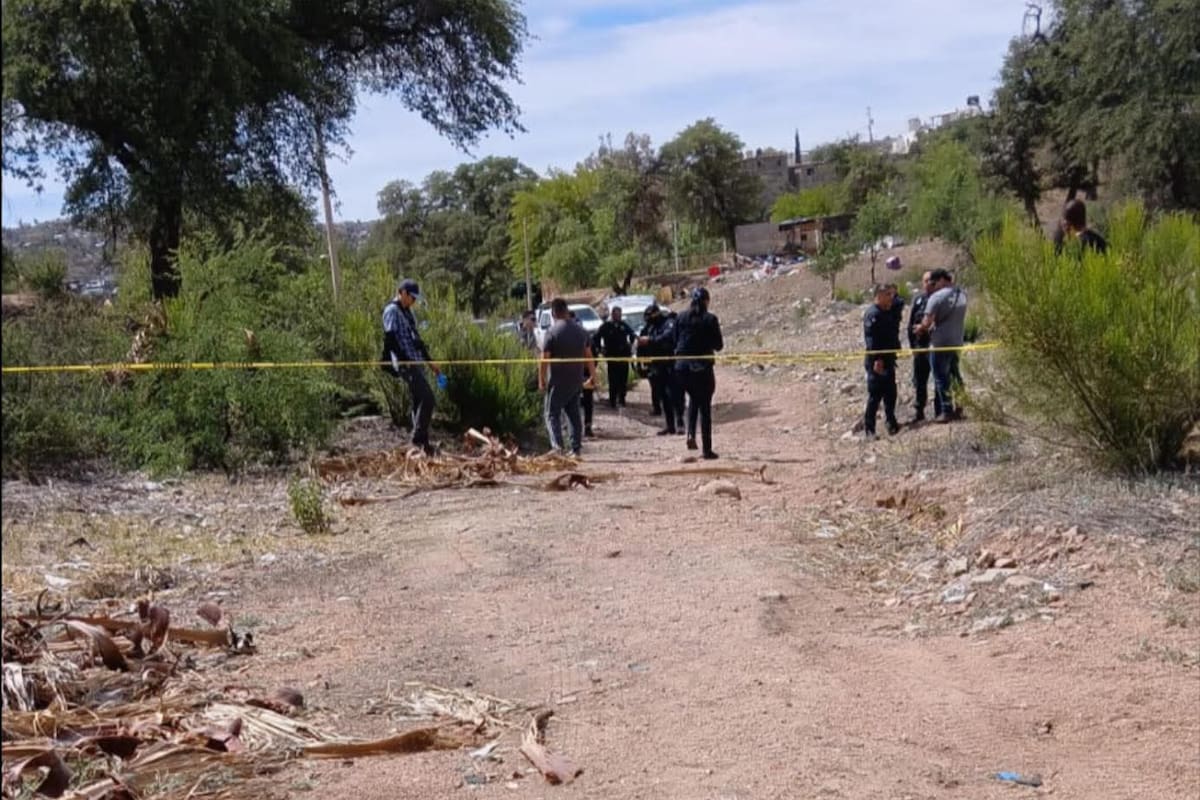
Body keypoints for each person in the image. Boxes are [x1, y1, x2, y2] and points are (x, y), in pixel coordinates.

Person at [382, 278, 442, 455]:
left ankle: (423, 443)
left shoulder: (408, 313)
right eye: (411, 297)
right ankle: (416, 440)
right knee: (428, 398)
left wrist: (431, 363)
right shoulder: (391, 311)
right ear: (402, 293)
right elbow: (390, 339)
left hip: (416, 361)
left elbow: (418, 342)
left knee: (419, 402)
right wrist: (402, 360)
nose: (413, 301)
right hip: (405, 363)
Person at [540, 299, 596, 456]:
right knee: (573, 415)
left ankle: (557, 448)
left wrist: (541, 379)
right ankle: (576, 449)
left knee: (551, 414)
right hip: (576, 380)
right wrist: (593, 377)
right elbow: (589, 356)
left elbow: (544, 359)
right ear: (566, 310)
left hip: (558, 381)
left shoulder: (552, 332)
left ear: (553, 312)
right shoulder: (581, 331)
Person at [674, 287, 724, 459]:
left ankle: (690, 434)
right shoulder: (710, 319)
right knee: (705, 408)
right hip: (702, 368)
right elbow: (719, 345)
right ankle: (707, 449)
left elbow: (676, 341)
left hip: (681, 369)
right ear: (706, 301)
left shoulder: (680, 317)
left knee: (693, 399)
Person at [915, 268, 968, 423]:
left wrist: (920, 328)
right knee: (955, 375)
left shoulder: (937, 297)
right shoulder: (962, 294)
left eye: (933, 282)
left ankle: (946, 410)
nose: (932, 286)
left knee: (941, 377)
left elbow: (927, 321)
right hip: (956, 341)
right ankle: (960, 406)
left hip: (940, 343)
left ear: (940, 280)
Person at [637, 304, 683, 436]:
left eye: (650, 317)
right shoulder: (650, 327)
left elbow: (668, 337)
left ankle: (680, 423)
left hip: (670, 364)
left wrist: (650, 340)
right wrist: (641, 363)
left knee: (674, 395)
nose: (648, 321)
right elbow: (643, 344)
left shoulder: (669, 323)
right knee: (663, 396)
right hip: (656, 366)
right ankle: (670, 426)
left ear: (656, 314)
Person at [862, 284, 902, 438]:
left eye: (891, 294)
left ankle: (891, 422)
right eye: (887, 294)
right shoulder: (873, 314)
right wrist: (877, 359)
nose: (891, 297)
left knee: (891, 393)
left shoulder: (888, 311)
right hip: (877, 360)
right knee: (875, 396)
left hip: (889, 359)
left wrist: (894, 293)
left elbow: (900, 302)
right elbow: (871, 340)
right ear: (878, 296)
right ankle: (870, 430)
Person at [594, 306, 636, 408]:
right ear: (612, 314)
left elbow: (632, 334)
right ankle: (612, 400)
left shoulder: (623, 325)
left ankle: (622, 399)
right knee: (613, 379)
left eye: (619, 314)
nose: (618, 316)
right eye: (616, 314)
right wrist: (600, 349)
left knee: (623, 379)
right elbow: (596, 337)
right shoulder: (606, 326)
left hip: (623, 356)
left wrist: (630, 344)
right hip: (612, 356)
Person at [906, 270, 934, 423]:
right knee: (920, 380)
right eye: (925, 281)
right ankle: (919, 411)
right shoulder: (918, 300)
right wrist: (913, 347)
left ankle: (941, 409)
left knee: (939, 379)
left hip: (935, 346)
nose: (928, 284)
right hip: (920, 346)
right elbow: (911, 325)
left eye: (930, 281)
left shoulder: (939, 299)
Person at [569, 310, 596, 438]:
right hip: (571, 372)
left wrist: (593, 375)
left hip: (583, 371)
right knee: (572, 401)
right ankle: (574, 429)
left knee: (587, 400)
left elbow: (592, 355)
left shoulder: (584, 334)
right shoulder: (566, 333)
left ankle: (587, 426)